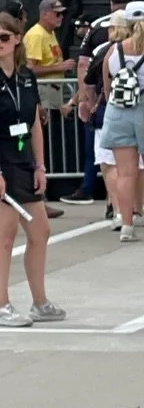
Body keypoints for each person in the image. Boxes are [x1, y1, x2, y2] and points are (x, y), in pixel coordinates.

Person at [0, 17, 64, 327]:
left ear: (16, 39)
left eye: (3, 36)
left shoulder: (25, 77)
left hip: (23, 159)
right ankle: (2, 305)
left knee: (40, 232)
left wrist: (40, 165)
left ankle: (40, 302)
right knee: (5, 237)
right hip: (2, 162)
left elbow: (34, 122)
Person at [98, 2, 144, 240]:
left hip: (118, 111)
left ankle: (126, 225)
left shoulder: (113, 51)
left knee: (125, 173)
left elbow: (106, 85)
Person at [23, 0, 74, 81]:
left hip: (53, 87)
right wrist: (58, 67)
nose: (61, 17)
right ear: (44, 14)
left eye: (62, 13)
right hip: (43, 88)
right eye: (57, 14)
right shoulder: (36, 35)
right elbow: (30, 69)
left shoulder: (50, 32)